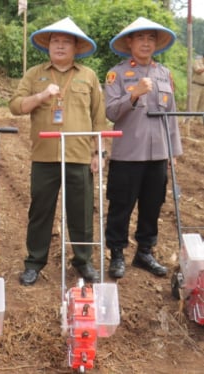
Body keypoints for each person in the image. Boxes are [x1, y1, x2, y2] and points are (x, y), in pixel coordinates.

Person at [9, 17, 107, 286]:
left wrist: (99, 153)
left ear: (76, 47)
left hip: (79, 156)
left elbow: (99, 118)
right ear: (48, 46)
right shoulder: (34, 74)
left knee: (82, 211)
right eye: (55, 41)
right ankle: (34, 262)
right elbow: (16, 106)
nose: (60, 46)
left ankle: (83, 260)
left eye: (66, 42)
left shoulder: (88, 76)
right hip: (45, 156)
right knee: (40, 211)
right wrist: (41, 96)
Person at [104, 17, 182, 278]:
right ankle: (116, 254)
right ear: (130, 42)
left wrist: (173, 152)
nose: (146, 43)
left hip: (158, 154)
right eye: (140, 38)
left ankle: (145, 252)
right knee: (121, 205)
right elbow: (112, 112)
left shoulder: (164, 74)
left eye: (151, 38)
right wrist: (134, 93)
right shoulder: (117, 74)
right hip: (128, 154)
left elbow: (171, 115)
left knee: (152, 204)